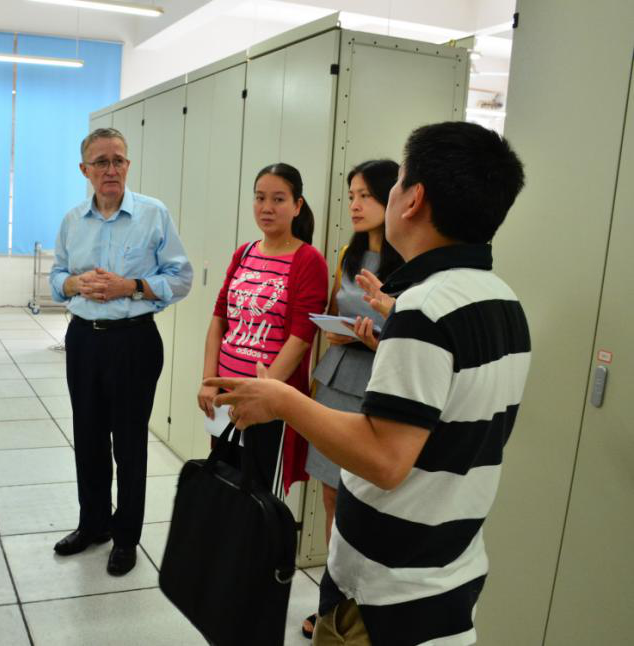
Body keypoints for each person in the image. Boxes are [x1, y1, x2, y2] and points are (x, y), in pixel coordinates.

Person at [207, 121, 530, 646]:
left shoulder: (425, 308)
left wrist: (282, 399)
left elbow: (383, 459)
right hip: (448, 567)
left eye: (395, 182)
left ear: (414, 199)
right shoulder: (500, 299)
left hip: (385, 592)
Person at [49, 128, 193, 576]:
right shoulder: (73, 221)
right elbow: (56, 277)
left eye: (118, 160)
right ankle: (93, 524)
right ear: (85, 170)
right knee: (88, 438)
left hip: (134, 341)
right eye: (101, 162)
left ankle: (126, 537)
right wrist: (74, 283)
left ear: (127, 165)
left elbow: (181, 278)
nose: (111, 169)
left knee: (129, 444)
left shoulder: (153, 214)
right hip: (84, 340)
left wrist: (130, 286)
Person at [301, 160, 403, 639]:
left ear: (392, 198)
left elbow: (414, 341)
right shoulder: (349, 254)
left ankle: (359, 607)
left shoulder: (411, 265)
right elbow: (333, 310)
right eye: (351, 196)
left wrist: (374, 339)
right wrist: (338, 333)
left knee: (364, 501)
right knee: (329, 493)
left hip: (379, 382)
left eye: (366, 195)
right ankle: (331, 601)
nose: (355, 206)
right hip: (338, 377)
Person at [197, 162, 328, 491]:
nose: (266, 207)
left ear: (297, 206)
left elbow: (300, 339)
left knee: (257, 497)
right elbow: (219, 319)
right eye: (260, 198)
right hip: (226, 397)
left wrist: (258, 395)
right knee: (223, 487)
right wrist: (209, 382)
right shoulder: (244, 253)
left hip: (268, 403)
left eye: (278, 199)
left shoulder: (308, 261)